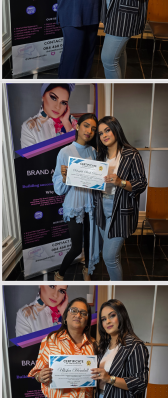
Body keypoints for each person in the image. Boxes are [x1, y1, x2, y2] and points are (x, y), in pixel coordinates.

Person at [92, 116, 147, 280]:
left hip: (120, 210)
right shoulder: (100, 156)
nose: (104, 135)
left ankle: (115, 285)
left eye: (107, 130)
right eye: (101, 133)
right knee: (112, 254)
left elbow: (141, 183)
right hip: (101, 208)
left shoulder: (131, 154)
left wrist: (120, 182)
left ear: (116, 130)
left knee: (109, 257)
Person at [52, 112, 101, 282]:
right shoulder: (65, 152)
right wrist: (65, 178)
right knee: (76, 247)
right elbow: (58, 188)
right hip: (74, 204)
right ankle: (60, 274)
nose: (89, 131)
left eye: (93, 129)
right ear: (77, 126)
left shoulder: (93, 152)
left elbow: (96, 180)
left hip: (90, 204)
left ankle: (87, 268)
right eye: (86, 126)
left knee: (89, 242)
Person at [20, 83, 77, 149]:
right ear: (43, 96)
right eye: (53, 98)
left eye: (63, 103)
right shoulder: (30, 127)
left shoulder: (71, 120)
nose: (58, 107)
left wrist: (66, 122)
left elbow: (80, 151)